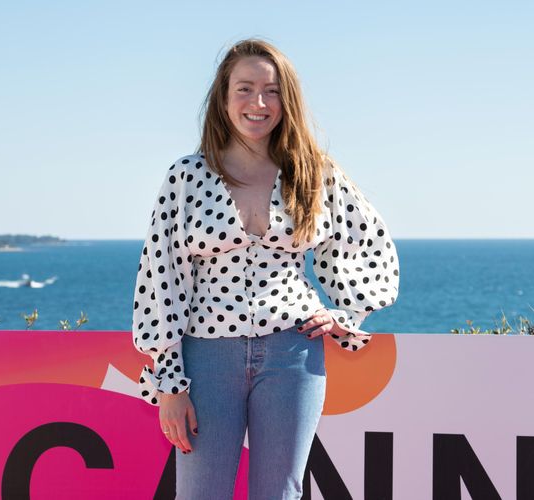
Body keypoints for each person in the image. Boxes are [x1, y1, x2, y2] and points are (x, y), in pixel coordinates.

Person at [132, 38, 399, 499]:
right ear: (223, 97)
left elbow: (368, 242)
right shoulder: (186, 176)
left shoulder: (313, 172)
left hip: (293, 356)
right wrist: (170, 385)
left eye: (271, 91)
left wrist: (345, 315)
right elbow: (162, 279)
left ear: (286, 100)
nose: (258, 103)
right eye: (245, 89)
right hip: (206, 360)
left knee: (281, 494)